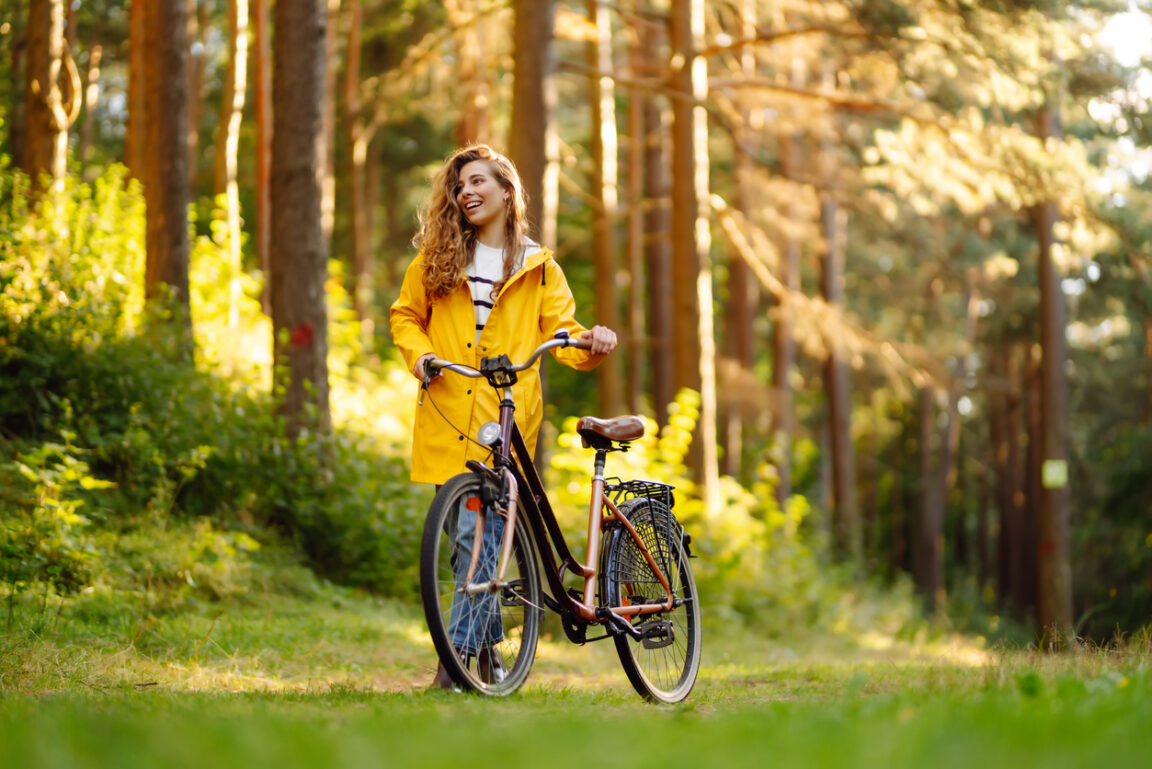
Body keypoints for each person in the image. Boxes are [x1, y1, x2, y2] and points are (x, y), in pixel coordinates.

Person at [389, 144, 617, 689]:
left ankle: (455, 666)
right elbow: (405, 317)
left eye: (478, 182)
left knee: (477, 531)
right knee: (465, 537)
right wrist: (420, 357)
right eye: (459, 185)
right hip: (449, 408)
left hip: (506, 412)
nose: (466, 192)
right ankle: (486, 656)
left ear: (506, 190)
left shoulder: (539, 268)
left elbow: (563, 334)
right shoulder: (435, 261)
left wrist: (592, 343)